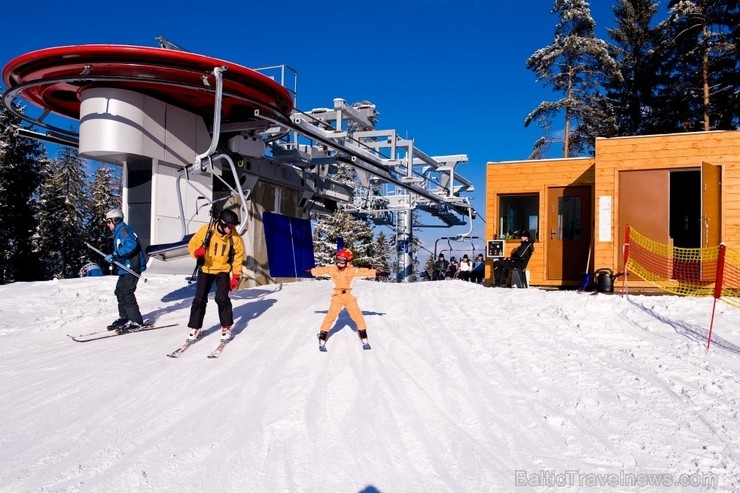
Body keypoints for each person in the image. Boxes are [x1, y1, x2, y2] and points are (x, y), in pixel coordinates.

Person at [186, 209, 245, 342]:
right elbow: (192, 244)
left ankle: (226, 326)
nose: (233, 229)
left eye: (234, 226)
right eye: (231, 226)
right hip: (206, 269)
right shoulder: (206, 231)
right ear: (222, 224)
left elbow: (237, 257)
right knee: (199, 299)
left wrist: (236, 275)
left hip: (223, 270)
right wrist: (197, 252)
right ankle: (195, 327)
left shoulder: (235, 238)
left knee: (222, 298)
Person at [309, 248, 380, 351]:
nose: (339, 263)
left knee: (358, 316)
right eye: (338, 260)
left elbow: (364, 271)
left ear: (348, 262)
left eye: (342, 261)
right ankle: (322, 335)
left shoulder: (352, 271)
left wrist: (376, 272)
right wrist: (311, 271)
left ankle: (364, 337)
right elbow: (321, 270)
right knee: (330, 316)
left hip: (349, 296)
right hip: (337, 296)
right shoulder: (332, 269)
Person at [104, 208, 148, 331]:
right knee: (119, 291)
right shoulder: (119, 232)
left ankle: (136, 321)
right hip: (125, 268)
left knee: (127, 292)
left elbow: (131, 245)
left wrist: (116, 255)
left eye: (108, 221)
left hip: (132, 267)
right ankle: (125, 317)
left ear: (115, 220)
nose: (107, 225)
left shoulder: (123, 230)